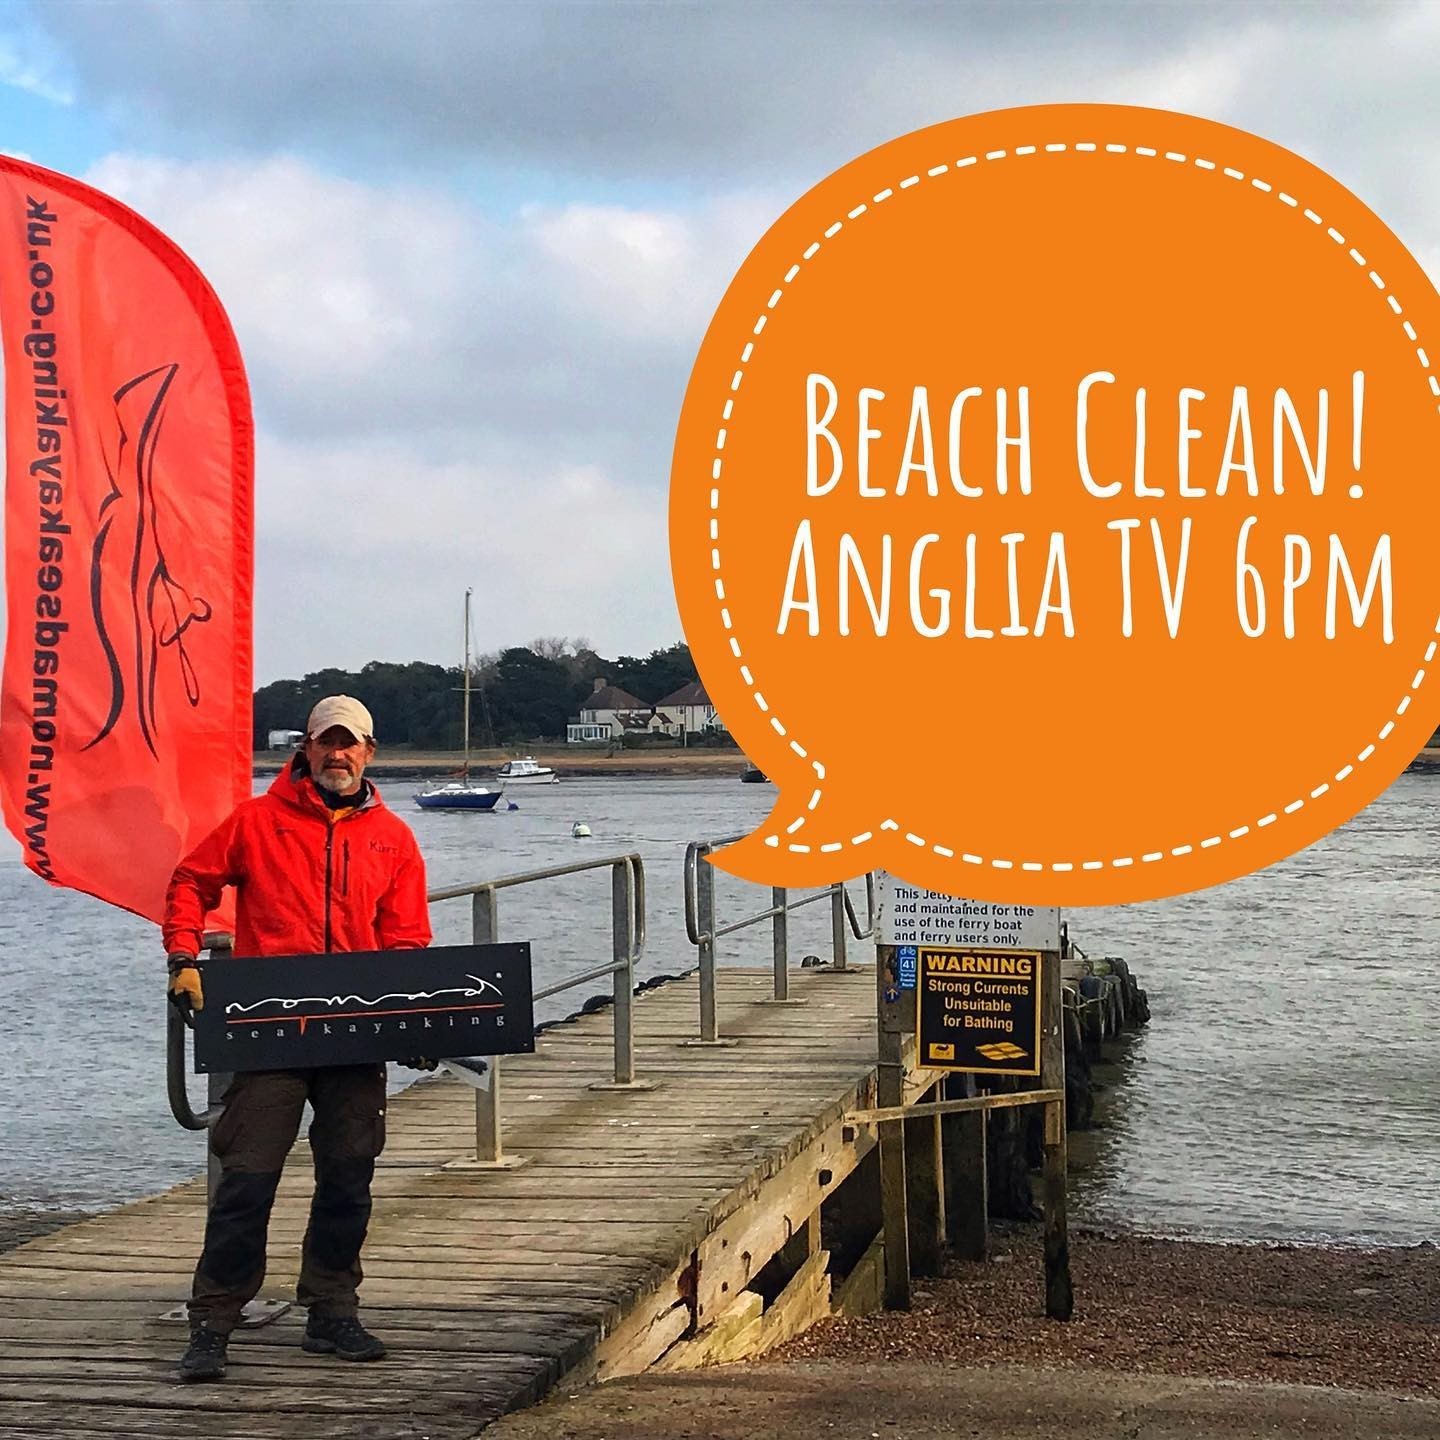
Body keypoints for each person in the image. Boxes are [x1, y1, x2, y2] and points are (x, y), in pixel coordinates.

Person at [163, 695, 432, 1383]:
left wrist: (417, 1023)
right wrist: (184, 958)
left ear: (370, 752)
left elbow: (406, 940)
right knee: (245, 1183)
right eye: (326, 743)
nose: (337, 755)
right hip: (268, 1033)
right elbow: (191, 881)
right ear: (305, 749)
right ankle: (213, 1323)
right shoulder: (255, 822)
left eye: (351, 744)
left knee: (349, 1178)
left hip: (354, 1038)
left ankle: (331, 1312)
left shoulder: (394, 838)